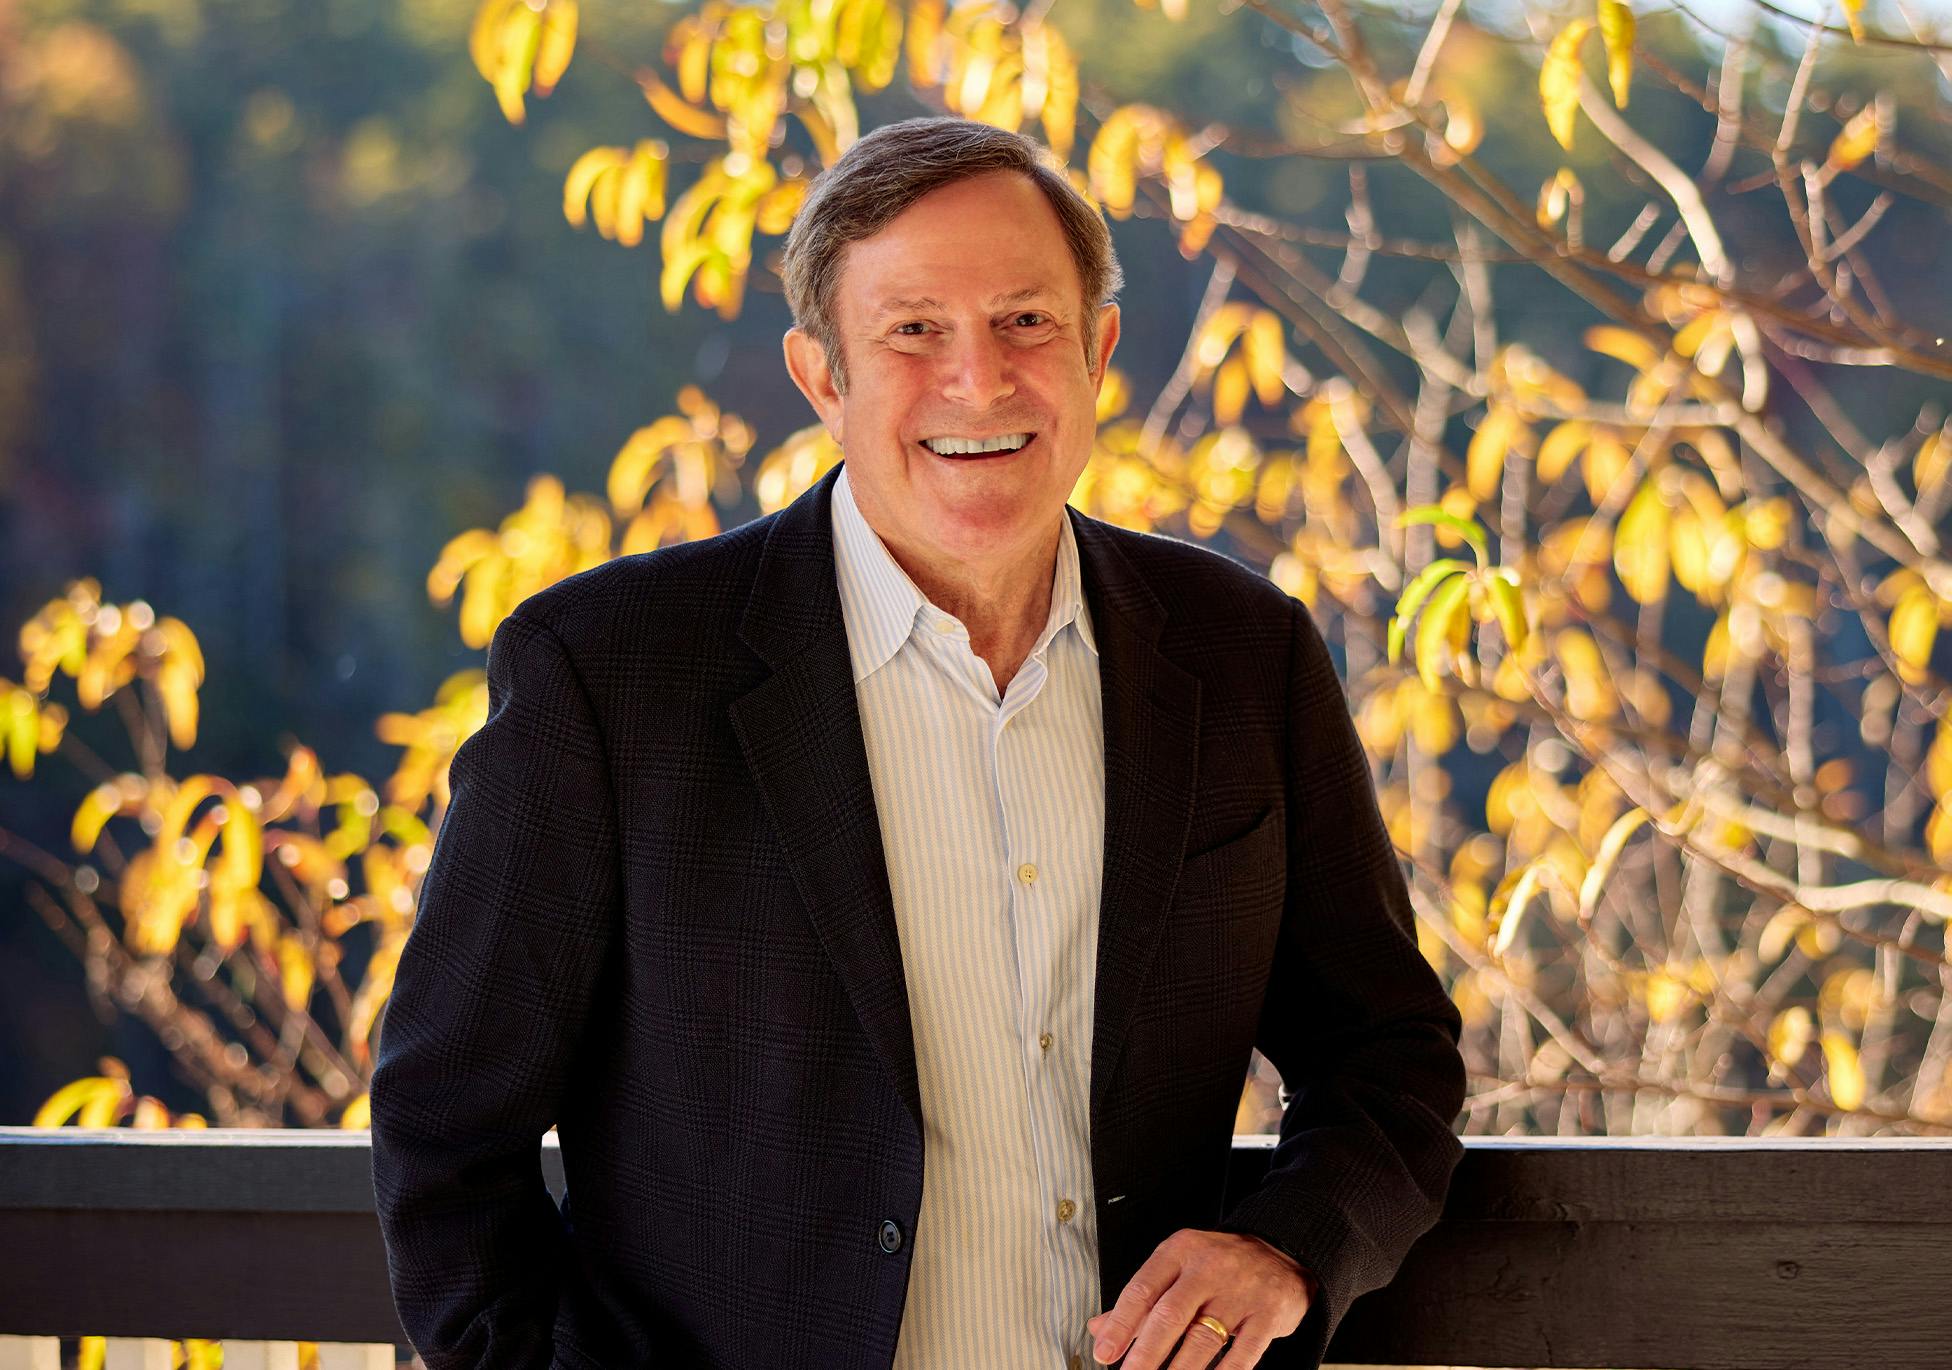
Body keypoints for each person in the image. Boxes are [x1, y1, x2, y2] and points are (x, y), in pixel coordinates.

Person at [370, 115, 1466, 1370]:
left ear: (1099, 349)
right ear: (820, 376)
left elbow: (1386, 1051)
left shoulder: (1239, 651)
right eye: (912, 331)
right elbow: (445, 1130)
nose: (979, 380)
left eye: (1025, 322)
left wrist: (1289, 1243)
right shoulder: (608, 675)